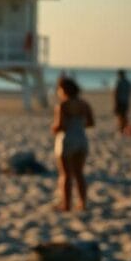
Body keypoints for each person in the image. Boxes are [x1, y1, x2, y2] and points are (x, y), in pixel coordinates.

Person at [51, 78, 94, 212]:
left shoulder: (63, 105)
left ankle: (66, 204)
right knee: (79, 173)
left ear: (64, 90)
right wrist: (78, 124)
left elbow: (60, 125)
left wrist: (54, 128)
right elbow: (91, 123)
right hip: (81, 138)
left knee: (65, 174)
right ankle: (82, 203)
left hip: (67, 140)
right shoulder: (84, 104)